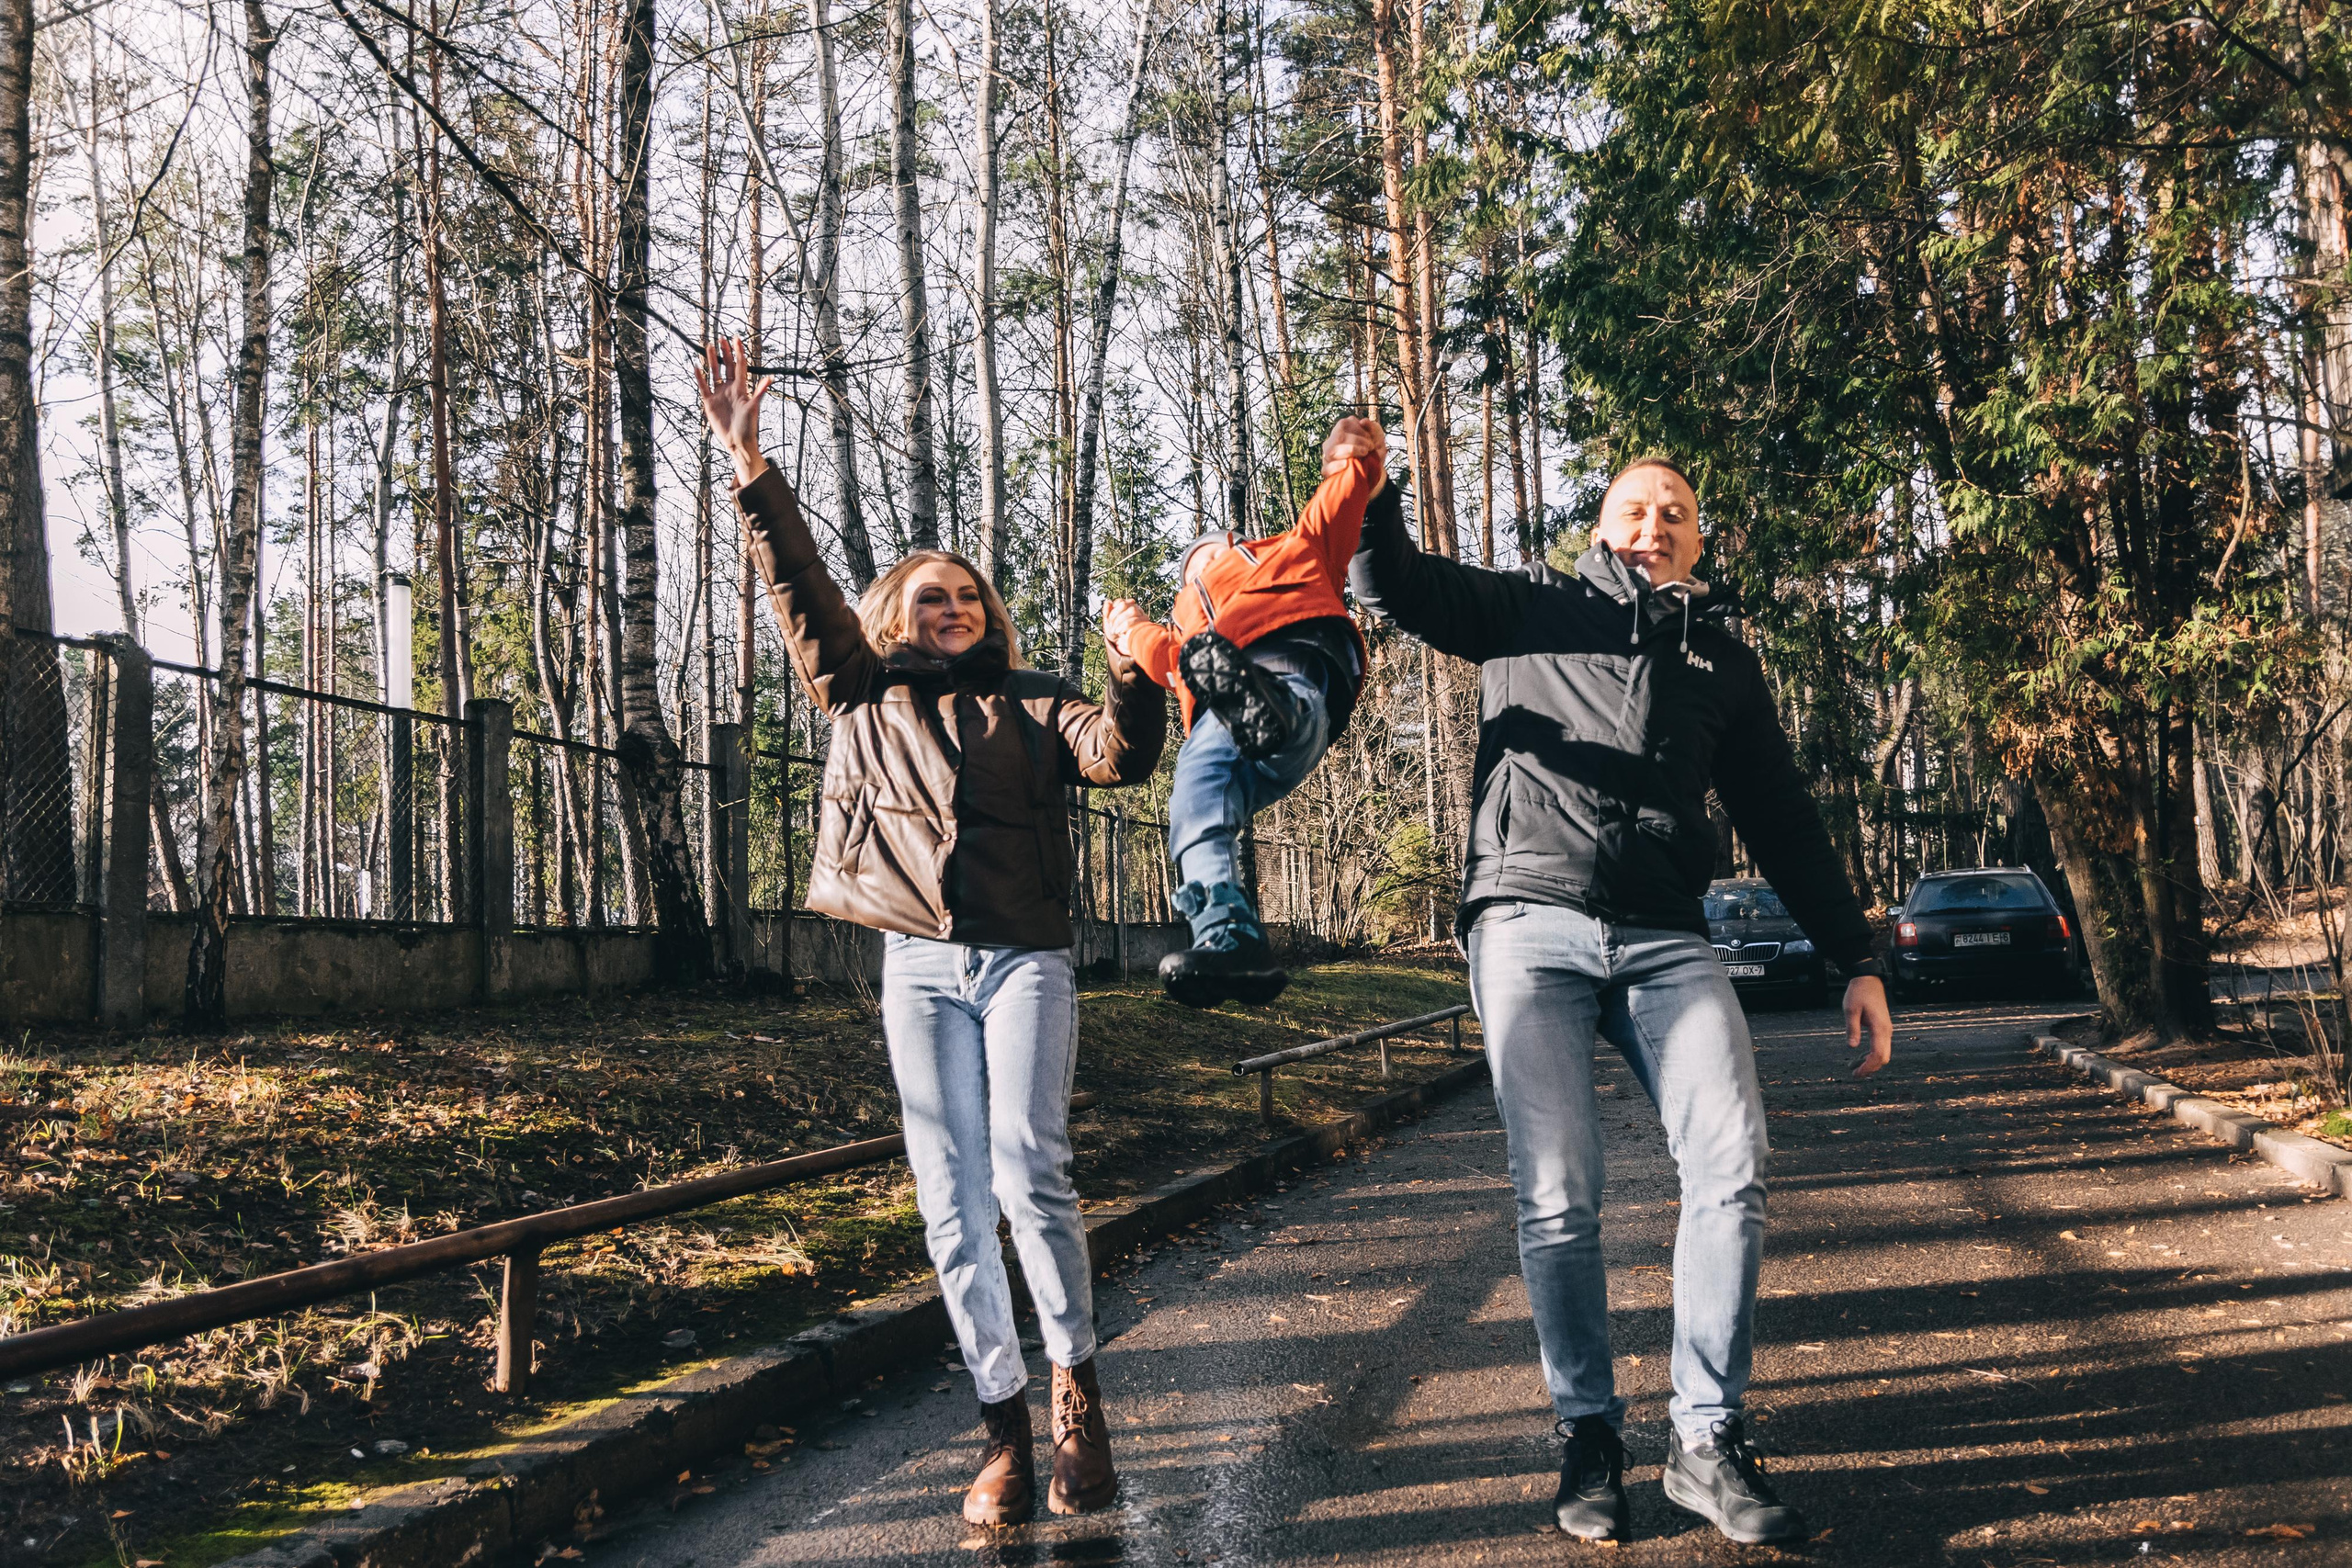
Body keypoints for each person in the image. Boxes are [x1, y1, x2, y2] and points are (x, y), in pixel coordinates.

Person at [1347, 443, 1894, 1547]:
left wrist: (1858, 958)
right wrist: (1370, 493)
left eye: (1677, 514)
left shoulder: (1724, 667)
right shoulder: (1529, 609)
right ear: (1601, 529)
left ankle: (1705, 1439)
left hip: (1663, 937)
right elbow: (1392, 585)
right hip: (1528, 922)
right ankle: (1587, 1434)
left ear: (1700, 539)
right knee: (1559, 1194)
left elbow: (1781, 818)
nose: (1656, 525)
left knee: (1730, 1163)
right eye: (1635, 510)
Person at [696, 339, 1166, 1527]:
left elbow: (1120, 752)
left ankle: (1077, 1391)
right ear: (895, 615)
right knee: (949, 1201)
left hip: (1023, 960)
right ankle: (1002, 1421)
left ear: (988, 613)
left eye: (965, 594)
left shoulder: (1038, 697)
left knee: (1029, 1166)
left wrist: (1132, 674)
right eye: (928, 595)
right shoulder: (859, 689)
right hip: (918, 964)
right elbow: (799, 584)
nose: (950, 608)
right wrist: (751, 465)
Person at [1102, 421, 1383, 1007]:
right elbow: (1161, 655)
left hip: (1294, 671)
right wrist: (1128, 631)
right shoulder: (1183, 626)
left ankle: (1266, 704)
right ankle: (1228, 936)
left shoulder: (1290, 552)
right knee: (1192, 802)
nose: (1201, 568)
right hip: (1225, 730)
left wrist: (1353, 462)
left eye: (1209, 555)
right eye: (1190, 571)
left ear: (1234, 544)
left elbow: (1334, 510)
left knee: (1224, 684)